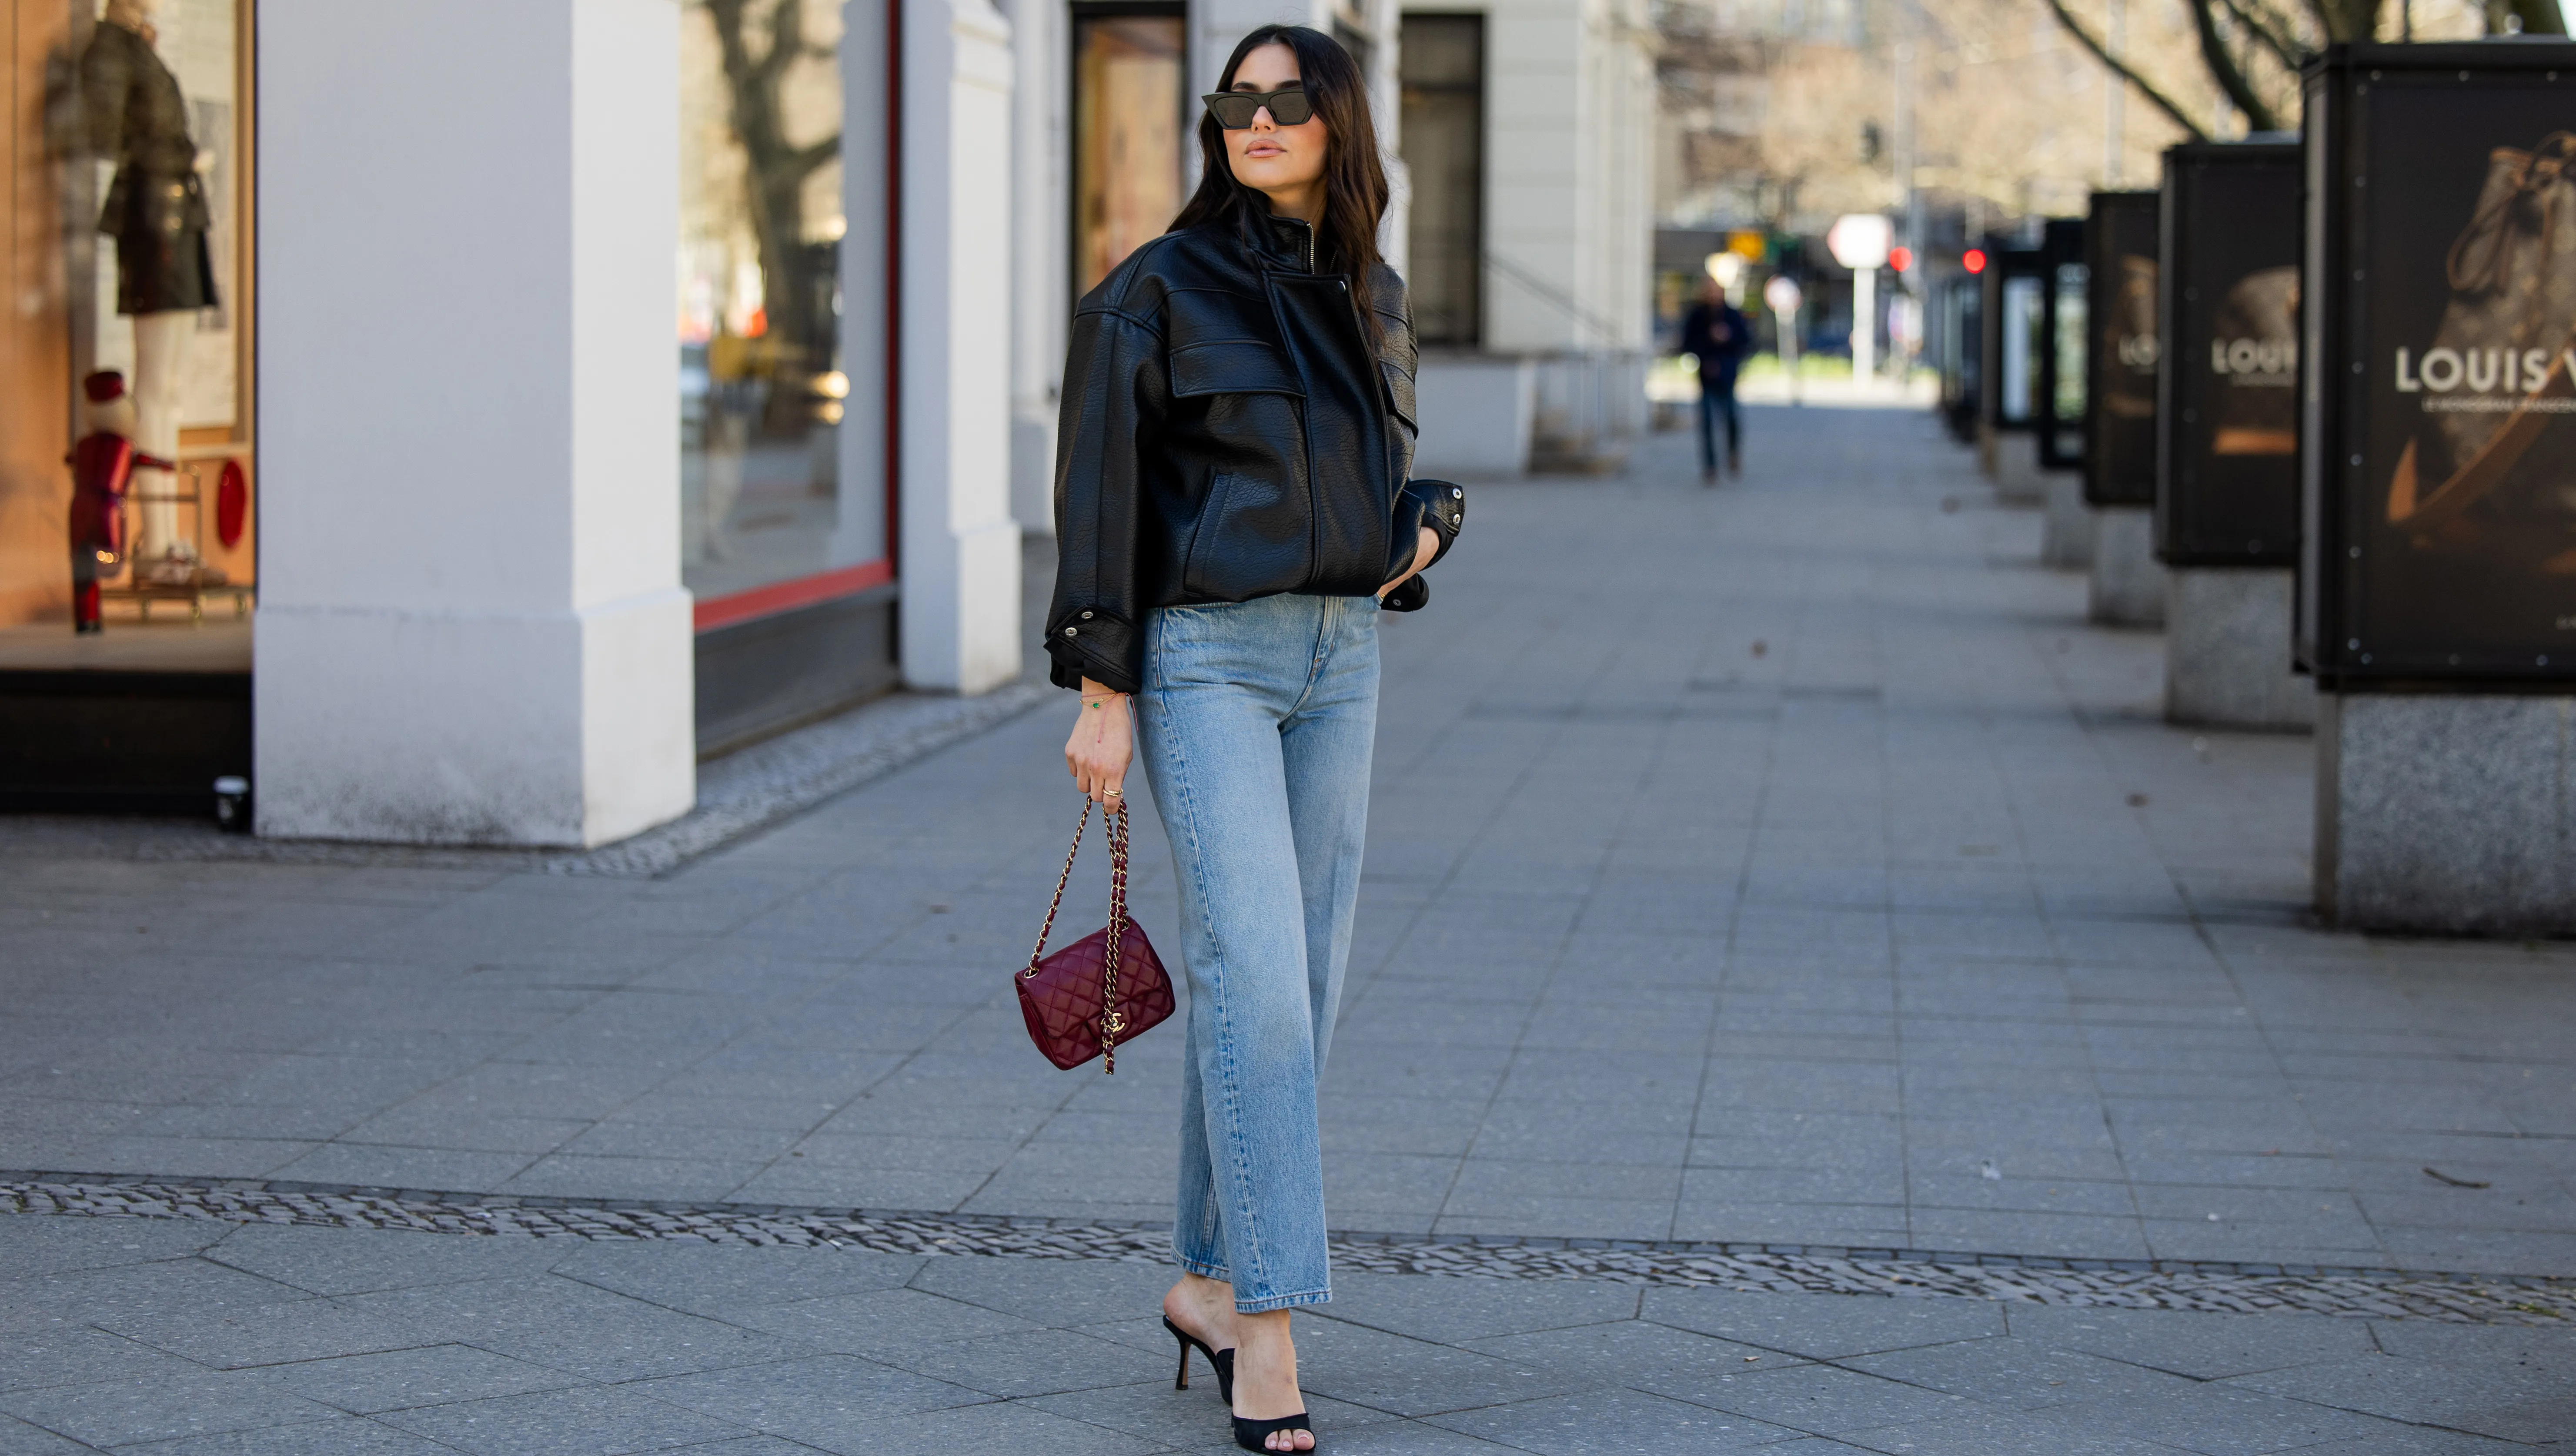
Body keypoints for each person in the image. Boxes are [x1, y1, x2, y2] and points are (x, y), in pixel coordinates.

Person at [1049, 24, 1461, 1453]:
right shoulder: (1155, 290)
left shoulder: (1371, 293)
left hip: (1341, 661)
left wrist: (1419, 532)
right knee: (1260, 992)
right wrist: (1102, 688)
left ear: (1340, 123)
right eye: (1240, 100)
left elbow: (1380, 475)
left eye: (1290, 101)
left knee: (1294, 987)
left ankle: (1204, 1277)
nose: (1260, 119)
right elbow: (1100, 489)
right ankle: (1265, 1330)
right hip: (1204, 659)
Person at [1680, 276, 1753, 482]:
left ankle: (1732, 454)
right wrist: (1706, 347)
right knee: (1707, 422)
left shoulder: (1732, 314)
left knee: (1731, 418)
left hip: (1728, 375)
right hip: (1707, 375)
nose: (1712, 295)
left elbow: (1745, 340)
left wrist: (1727, 337)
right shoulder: (1698, 316)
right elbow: (1688, 343)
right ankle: (1710, 466)